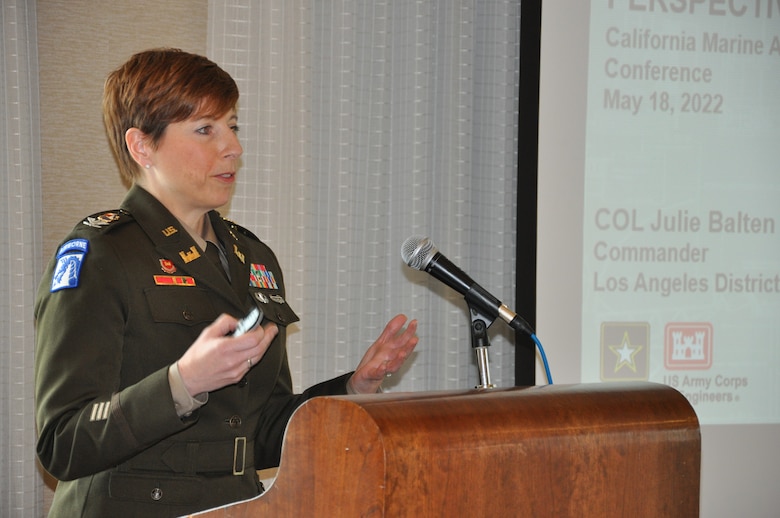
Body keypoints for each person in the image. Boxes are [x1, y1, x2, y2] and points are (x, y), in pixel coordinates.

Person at [34, 48, 419, 517]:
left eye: (232, 126)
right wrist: (182, 383)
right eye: (205, 129)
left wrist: (354, 390)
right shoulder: (102, 253)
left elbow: (259, 433)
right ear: (142, 147)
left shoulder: (253, 258)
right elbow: (62, 443)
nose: (233, 147)